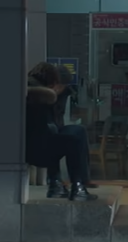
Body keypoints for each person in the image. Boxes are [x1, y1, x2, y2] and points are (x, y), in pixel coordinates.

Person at [26, 63, 95, 201]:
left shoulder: (26, 89)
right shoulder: (41, 95)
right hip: (36, 150)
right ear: (55, 83)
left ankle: (56, 184)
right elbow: (51, 125)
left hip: (31, 146)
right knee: (77, 134)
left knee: (67, 132)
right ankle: (78, 186)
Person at [52, 69, 97, 191]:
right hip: (44, 134)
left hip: (54, 129)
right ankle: (72, 181)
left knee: (79, 132)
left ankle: (81, 180)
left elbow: (58, 117)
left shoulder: (63, 93)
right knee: (72, 138)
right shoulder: (43, 95)